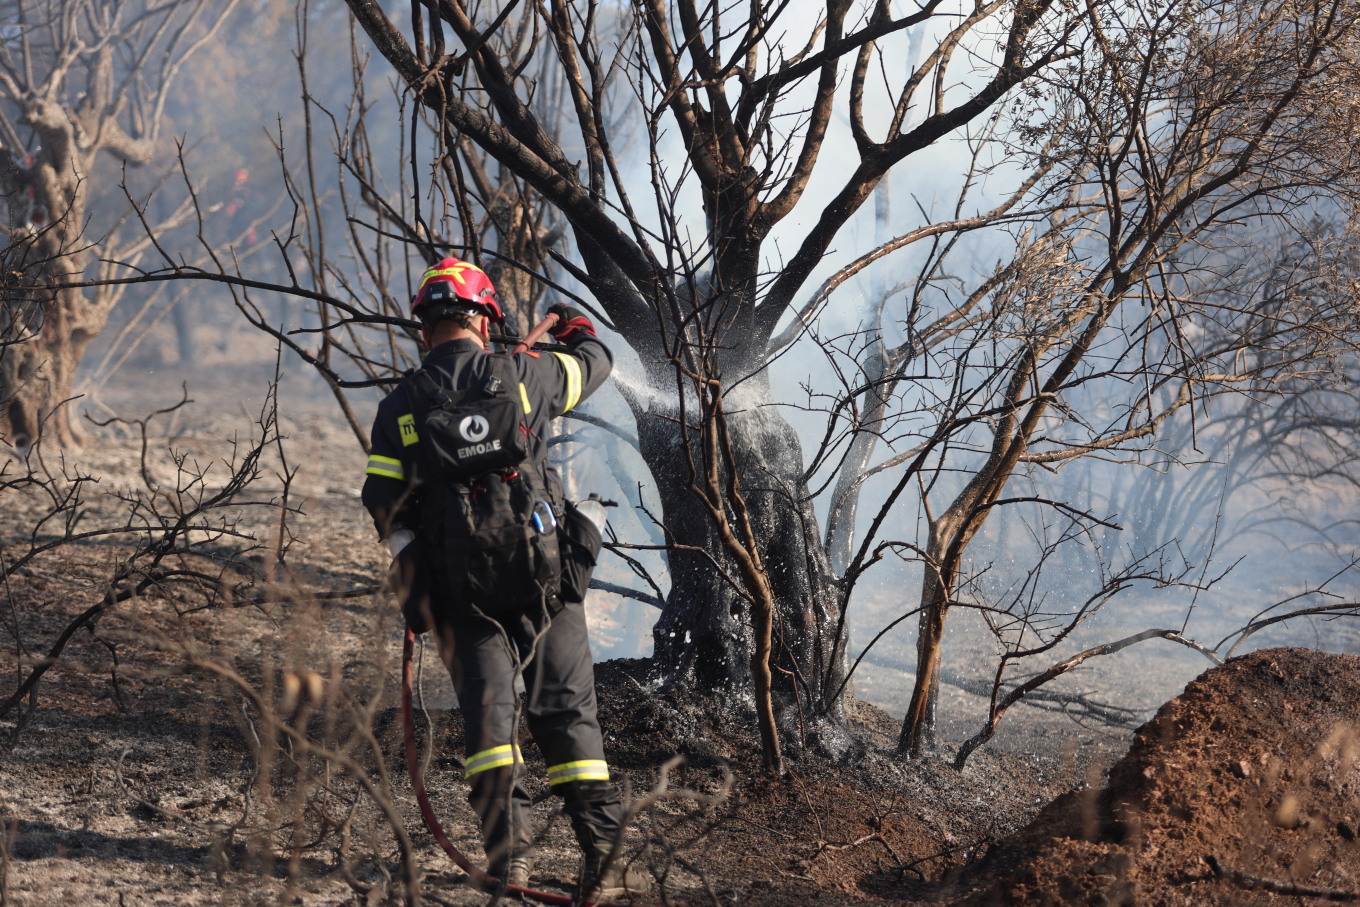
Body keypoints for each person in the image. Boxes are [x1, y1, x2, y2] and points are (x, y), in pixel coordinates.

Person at [361, 258, 640, 896]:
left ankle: (509, 862)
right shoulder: (525, 375)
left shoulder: (400, 406)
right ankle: (604, 860)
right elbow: (595, 364)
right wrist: (575, 328)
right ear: (485, 320)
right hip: (548, 579)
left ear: (424, 328)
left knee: (488, 723)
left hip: (462, 593)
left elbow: (384, 502)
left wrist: (415, 573)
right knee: (568, 712)